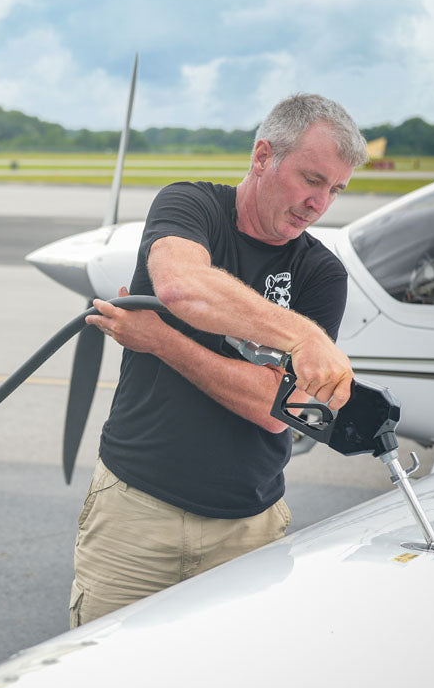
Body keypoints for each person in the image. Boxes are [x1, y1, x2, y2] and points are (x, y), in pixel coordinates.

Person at [69, 93, 369, 628]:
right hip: (135, 512)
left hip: (248, 527)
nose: (319, 203)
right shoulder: (190, 205)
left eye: (335, 190)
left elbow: (274, 409)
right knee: (102, 682)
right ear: (262, 156)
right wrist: (304, 339)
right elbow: (183, 287)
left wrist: (162, 340)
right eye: (311, 179)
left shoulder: (322, 273)